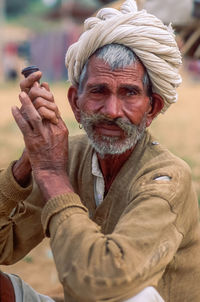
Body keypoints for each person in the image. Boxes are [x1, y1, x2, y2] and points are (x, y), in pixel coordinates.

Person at [1, 0, 200, 301]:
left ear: (152, 109)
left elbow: (101, 283)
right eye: (98, 91)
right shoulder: (67, 158)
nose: (111, 110)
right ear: (75, 103)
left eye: (129, 93)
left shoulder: (167, 179)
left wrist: (53, 175)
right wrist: (29, 162)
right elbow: (5, 244)